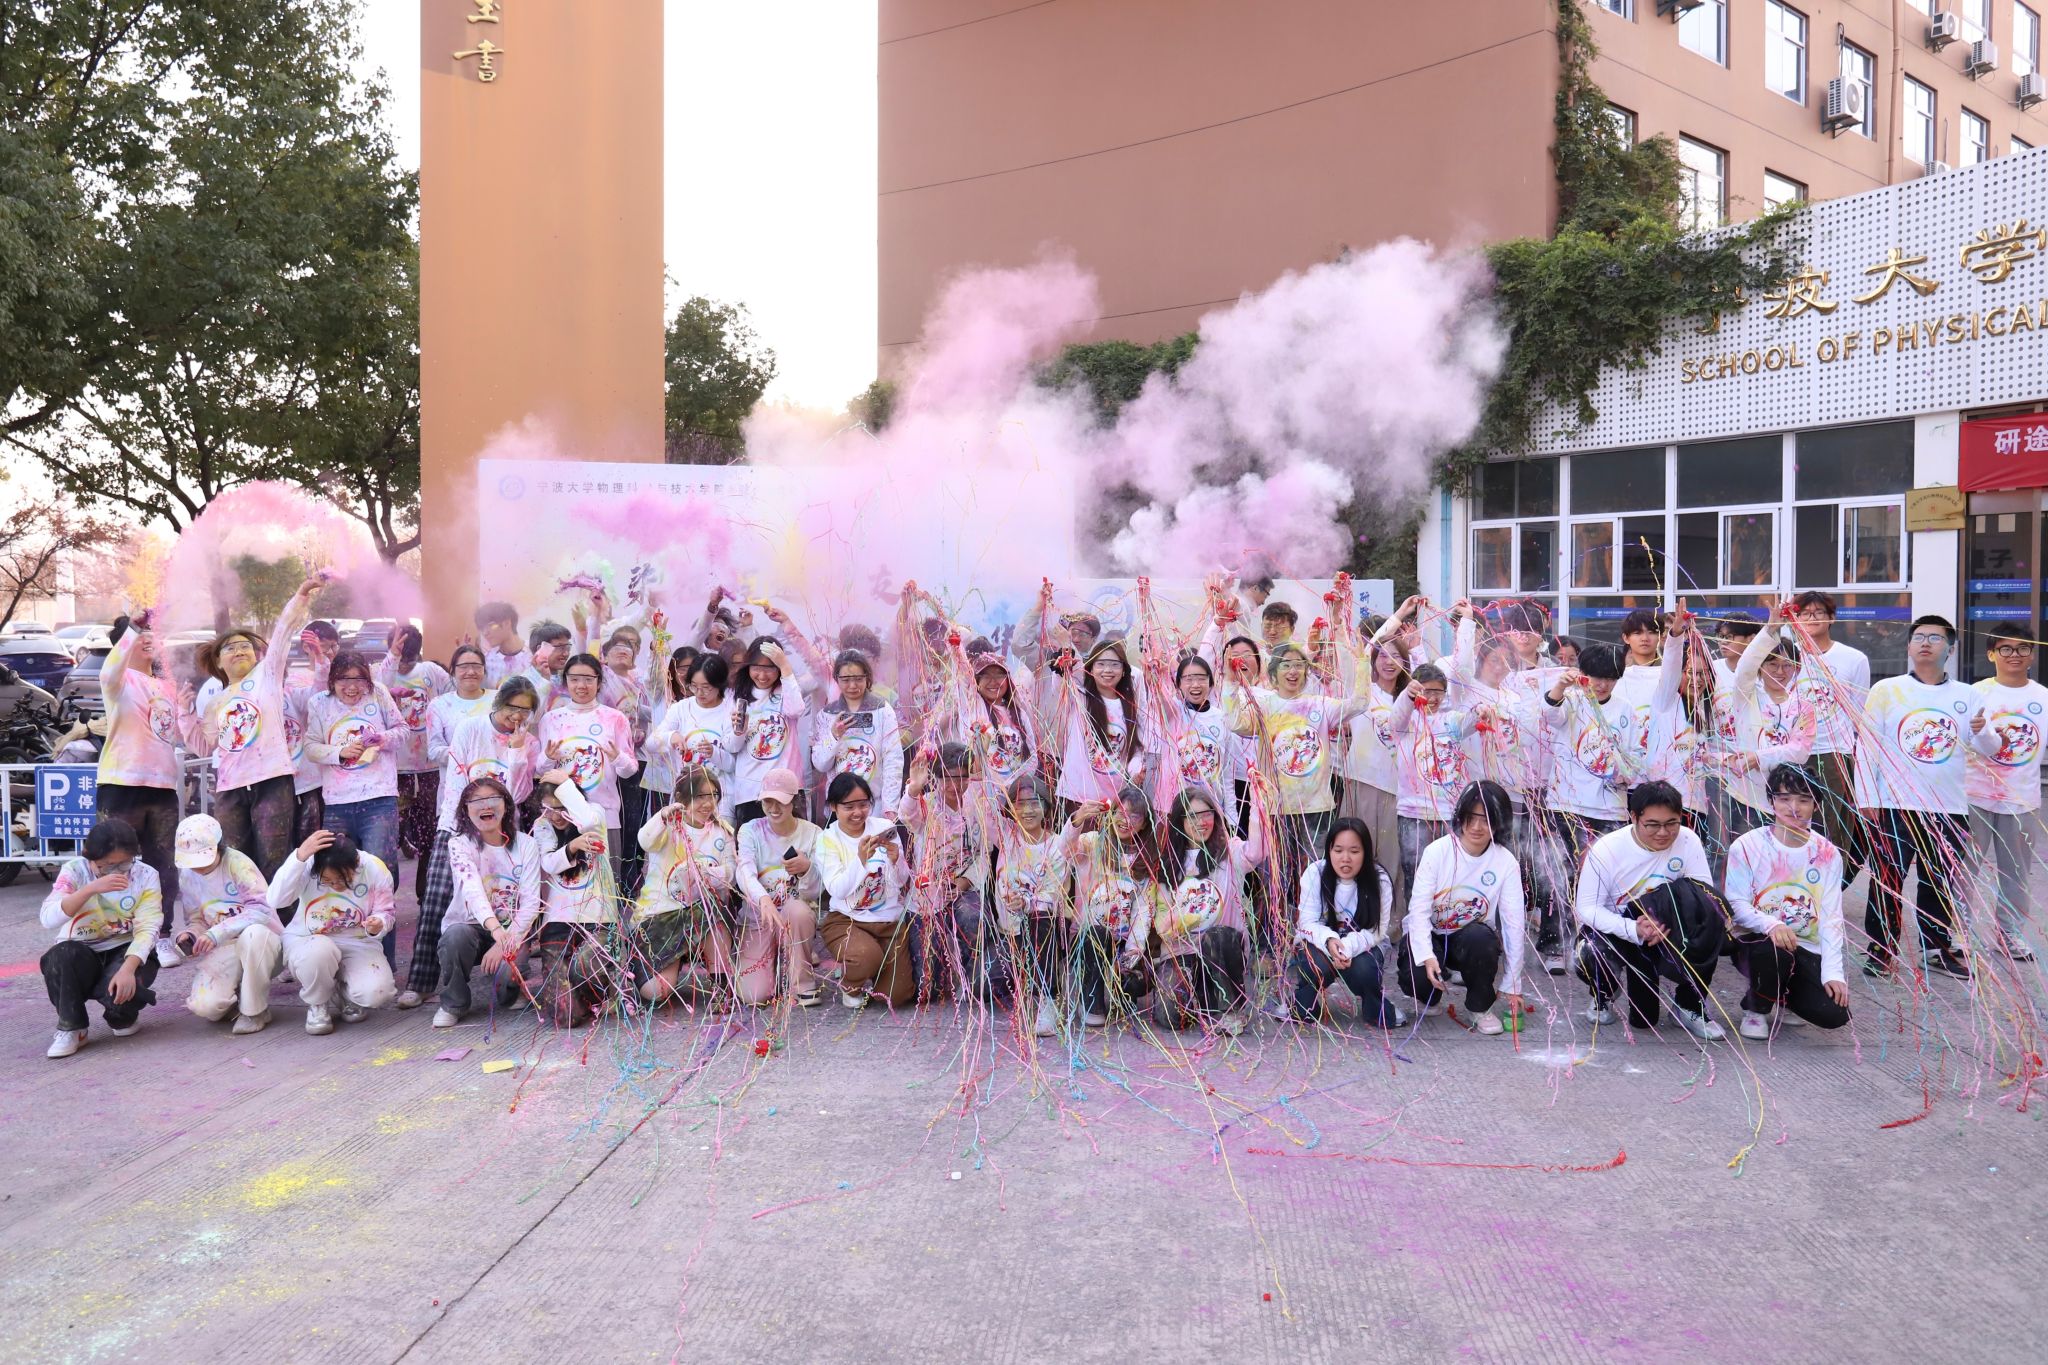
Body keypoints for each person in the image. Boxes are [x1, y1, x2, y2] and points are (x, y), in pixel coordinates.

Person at [1854, 614, 1997, 979]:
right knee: (1888, 877)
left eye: (1935, 638)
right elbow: (1868, 747)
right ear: (1908, 646)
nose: (1925, 643)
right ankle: (1882, 948)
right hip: (1893, 804)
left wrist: (1982, 732)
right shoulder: (1887, 689)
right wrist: (1867, 797)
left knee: (1939, 881)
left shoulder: (1969, 694)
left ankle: (1936, 947)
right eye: (1919, 636)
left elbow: (1991, 748)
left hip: (1947, 806)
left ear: (1950, 649)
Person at [405, 675, 540, 1009]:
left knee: (504, 895)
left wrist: (515, 753)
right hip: (457, 822)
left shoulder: (527, 742)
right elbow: (455, 780)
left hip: (503, 830)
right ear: (498, 703)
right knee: (438, 901)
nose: (517, 716)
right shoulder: (470, 728)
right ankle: (420, 983)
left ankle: (507, 971)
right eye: (512, 707)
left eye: (525, 711)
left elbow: (518, 795)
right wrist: (458, 827)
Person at [1571, 781, 1726, 1039]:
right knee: (1589, 951)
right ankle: (1604, 992)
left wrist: (1665, 920)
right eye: (1652, 825)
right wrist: (1634, 929)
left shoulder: (1688, 841)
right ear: (1633, 817)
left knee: (1711, 919)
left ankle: (1688, 1004)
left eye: (1672, 823)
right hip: (1622, 931)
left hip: (1667, 930)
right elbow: (1586, 908)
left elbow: (1703, 896)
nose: (1663, 833)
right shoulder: (1607, 849)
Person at [195, 576, 322, 877]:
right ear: (218, 661)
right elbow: (204, 745)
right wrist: (187, 719)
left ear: (256, 655)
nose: (239, 651)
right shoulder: (215, 700)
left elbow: (281, 634)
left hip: (272, 780)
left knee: (274, 860)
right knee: (236, 861)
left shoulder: (267, 677)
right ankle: (243, 919)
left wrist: (300, 596)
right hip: (230, 787)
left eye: (245, 646)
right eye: (230, 648)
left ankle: (280, 921)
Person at [1536, 641, 1641, 974]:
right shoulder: (1574, 702)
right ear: (1584, 675)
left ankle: (1595, 942)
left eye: (1610, 678)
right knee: (1561, 873)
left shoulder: (1627, 709)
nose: (1602, 684)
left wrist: (1623, 773)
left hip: (1609, 808)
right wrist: (1560, 687)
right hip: (1567, 803)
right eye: (1596, 676)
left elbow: (1636, 758)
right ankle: (1554, 945)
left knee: (1602, 879)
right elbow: (1550, 714)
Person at [1725, 764, 1851, 1039]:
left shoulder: (1828, 853)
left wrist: (1833, 972)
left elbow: (1831, 916)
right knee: (1774, 954)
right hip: (1757, 940)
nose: (1794, 807)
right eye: (1784, 799)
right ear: (1771, 802)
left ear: (1816, 805)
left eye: (1804, 800)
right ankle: (1756, 1009)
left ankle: (1783, 995)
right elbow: (1736, 905)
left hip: (1805, 946)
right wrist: (1770, 924)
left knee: (1834, 1014)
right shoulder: (1747, 846)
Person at [1400, 780, 1526, 1035]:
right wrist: (1427, 956)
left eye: (1487, 819)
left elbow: (1514, 924)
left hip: (1469, 939)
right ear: (1460, 816)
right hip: (1433, 935)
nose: (1477, 827)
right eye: (1471, 817)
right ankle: (1430, 996)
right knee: (1415, 971)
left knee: (1481, 938)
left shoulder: (1506, 863)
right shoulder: (1437, 852)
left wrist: (1513, 982)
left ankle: (1479, 1006)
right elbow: (1419, 910)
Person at [304, 651, 406, 966]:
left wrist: (382, 738)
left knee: (381, 875)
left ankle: (382, 959)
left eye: (359, 679)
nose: (352, 687)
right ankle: (344, 957)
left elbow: (402, 732)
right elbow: (310, 747)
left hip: (380, 799)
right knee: (336, 874)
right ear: (332, 680)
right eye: (344, 680)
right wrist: (339, 751)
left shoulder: (380, 694)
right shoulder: (319, 703)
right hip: (337, 803)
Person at [94, 612, 192, 934]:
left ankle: (160, 934)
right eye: (140, 633)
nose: (148, 637)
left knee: (163, 865)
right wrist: (132, 629)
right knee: (115, 862)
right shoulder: (118, 680)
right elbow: (109, 672)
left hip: (162, 786)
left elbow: (178, 732)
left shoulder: (167, 686)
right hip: (122, 783)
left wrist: (189, 709)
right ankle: (118, 933)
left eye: (151, 631)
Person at [39, 818, 164, 1059]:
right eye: (107, 866)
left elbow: (149, 926)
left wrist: (128, 969)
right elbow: (48, 918)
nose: (117, 872)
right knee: (60, 956)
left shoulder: (146, 875)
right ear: (90, 858)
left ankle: (121, 1015)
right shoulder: (75, 870)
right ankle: (73, 1028)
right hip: (81, 950)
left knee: (123, 1005)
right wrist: (90, 888)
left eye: (124, 864)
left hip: (123, 948)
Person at [1154, 781, 1266, 1036]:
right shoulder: (1170, 863)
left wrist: (1259, 804)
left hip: (1221, 949)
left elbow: (1257, 851)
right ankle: (1204, 994)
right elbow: (1162, 921)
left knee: (1217, 936)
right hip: (1182, 950)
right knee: (1169, 1017)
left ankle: (1228, 1009)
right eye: (1192, 816)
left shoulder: (1231, 852)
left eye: (1207, 815)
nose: (1201, 822)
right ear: (1179, 821)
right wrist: (1177, 922)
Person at [433, 776, 544, 1027]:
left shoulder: (526, 845)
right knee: (454, 937)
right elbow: (472, 891)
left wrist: (504, 941)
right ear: (465, 809)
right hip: (472, 925)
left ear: (506, 805)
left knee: (509, 977)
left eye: (493, 799)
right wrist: (495, 930)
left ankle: (510, 992)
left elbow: (530, 902)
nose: (486, 806)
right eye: (477, 801)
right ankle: (454, 1003)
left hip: (511, 929)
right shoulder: (459, 845)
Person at [1966, 622, 2048, 962]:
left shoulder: (2043, 697)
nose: (2014, 655)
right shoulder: (1975, 693)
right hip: (1973, 795)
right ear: (1991, 654)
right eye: (2006, 648)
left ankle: (2008, 933)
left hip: (2022, 798)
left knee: (2015, 872)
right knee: (1964, 869)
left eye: (2022, 648)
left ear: (2033, 653)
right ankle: (1956, 933)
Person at [271, 829, 398, 1035]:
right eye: (327, 881)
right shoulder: (308, 865)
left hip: (357, 942)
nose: (336, 886)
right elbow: (276, 899)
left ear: (356, 864)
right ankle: (318, 1003)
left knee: (378, 993)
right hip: (309, 939)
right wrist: (299, 857)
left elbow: (386, 913)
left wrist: (379, 923)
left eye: (342, 879)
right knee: (319, 951)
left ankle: (342, 992)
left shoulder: (374, 868)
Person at [901, 742, 1001, 1002]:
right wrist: (914, 787)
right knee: (928, 988)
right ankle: (945, 967)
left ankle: (972, 972)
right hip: (928, 895)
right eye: (946, 778)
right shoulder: (926, 806)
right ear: (935, 778)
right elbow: (907, 816)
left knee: (972, 916)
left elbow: (984, 853)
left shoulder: (978, 807)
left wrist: (965, 881)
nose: (954, 786)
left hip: (963, 889)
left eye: (961, 777)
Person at [632, 763, 739, 1005]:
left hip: (702, 916)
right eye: (700, 796)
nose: (708, 803)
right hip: (661, 917)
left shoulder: (723, 832)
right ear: (682, 798)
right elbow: (644, 841)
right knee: (654, 993)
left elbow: (731, 873)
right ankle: (673, 960)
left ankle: (722, 986)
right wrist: (662, 815)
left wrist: (706, 875)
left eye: (714, 796)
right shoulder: (669, 825)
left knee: (715, 911)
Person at [1059, 785, 1165, 1025]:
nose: (1125, 820)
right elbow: (1064, 850)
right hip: (1089, 936)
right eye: (1119, 812)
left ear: (1145, 823)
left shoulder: (1147, 859)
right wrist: (1077, 820)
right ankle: (1092, 997)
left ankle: (1121, 988)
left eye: (1134, 816)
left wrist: (1129, 956)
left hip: (1125, 943)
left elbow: (1143, 911)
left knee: (1134, 983)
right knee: (1098, 935)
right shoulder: (1092, 843)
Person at [169, 814, 283, 1035]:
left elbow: (261, 910)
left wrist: (216, 932)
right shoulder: (187, 876)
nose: (198, 868)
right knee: (208, 1007)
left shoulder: (238, 864)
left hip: (263, 943)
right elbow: (197, 919)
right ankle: (240, 996)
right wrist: (191, 935)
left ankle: (255, 1011)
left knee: (253, 935)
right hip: (225, 947)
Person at [815, 772, 917, 1009]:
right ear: (833, 807)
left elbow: (901, 882)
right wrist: (860, 860)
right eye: (848, 806)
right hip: (847, 920)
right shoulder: (827, 839)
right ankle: (851, 984)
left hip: (889, 921)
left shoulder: (884, 827)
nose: (857, 812)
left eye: (863, 804)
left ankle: (874, 967)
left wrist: (896, 861)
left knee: (896, 996)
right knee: (865, 956)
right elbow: (837, 889)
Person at [1788, 591, 1871, 879]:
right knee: (1791, 822)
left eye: (1818, 612)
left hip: (1835, 754)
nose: (1811, 619)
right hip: (1791, 753)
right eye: (1804, 613)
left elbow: (1859, 713)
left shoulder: (1853, 659)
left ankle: (1828, 888)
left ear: (1831, 617)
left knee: (1832, 826)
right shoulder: (1784, 656)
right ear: (1794, 618)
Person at [1289, 817, 1403, 1028]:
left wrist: (1347, 947)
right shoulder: (1315, 874)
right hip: (1320, 945)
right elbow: (1306, 923)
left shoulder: (1380, 880)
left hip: (1361, 947)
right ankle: (1303, 1003)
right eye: (1338, 850)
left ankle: (1374, 1006)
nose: (1346, 858)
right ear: (1329, 850)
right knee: (1315, 966)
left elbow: (1377, 931)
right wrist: (1330, 940)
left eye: (1354, 851)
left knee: (1365, 970)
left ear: (1366, 852)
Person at [538, 652, 638, 884]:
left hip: (604, 813)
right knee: (565, 885)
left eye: (588, 679)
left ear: (599, 682)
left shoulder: (615, 719)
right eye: (574, 679)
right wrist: (547, 758)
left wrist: (617, 758)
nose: (581, 685)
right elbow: (541, 772)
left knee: (606, 886)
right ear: (565, 682)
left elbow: (629, 770)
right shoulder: (551, 720)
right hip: (560, 816)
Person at [530, 767, 617, 1025]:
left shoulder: (594, 814)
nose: (555, 816)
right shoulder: (541, 826)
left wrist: (565, 784)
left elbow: (587, 821)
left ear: (572, 799)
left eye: (561, 807)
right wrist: (572, 847)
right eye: (548, 809)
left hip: (598, 917)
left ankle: (603, 990)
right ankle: (577, 998)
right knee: (565, 1016)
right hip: (559, 922)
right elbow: (549, 863)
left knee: (584, 966)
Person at [735, 767, 826, 1008]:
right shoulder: (750, 830)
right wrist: (763, 899)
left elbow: (817, 890)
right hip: (758, 916)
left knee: (797, 910)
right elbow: (743, 871)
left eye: (781, 803)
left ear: (794, 801)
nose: (774, 809)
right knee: (754, 996)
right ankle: (773, 961)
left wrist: (806, 868)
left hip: (792, 916)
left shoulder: (813, 833)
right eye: (768, 802)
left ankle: (802, 982)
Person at [376, 625, 453, 907]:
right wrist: (393, 657)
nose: (405, 663)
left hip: (430, 768)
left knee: (429, 835)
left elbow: (454, 696)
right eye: (401, 656)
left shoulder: (431, 672)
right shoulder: (382, 670)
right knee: (390, 836)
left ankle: (425, 896)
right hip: (396, 771)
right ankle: (384, 899)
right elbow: (377, 690)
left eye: (410, 657)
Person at [996, 772, 1074, 1037]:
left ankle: (1049, 999)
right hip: (1009, 932)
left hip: (1042, 929)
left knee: (1040, 919)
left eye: (1035, 803)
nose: (1027, 810)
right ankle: (1029, 985)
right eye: (1020, 803)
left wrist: (1026, 902)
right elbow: (981, 802)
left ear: (1046, 808)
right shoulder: (1005, 834)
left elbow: (1052, 895)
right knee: (990, 984)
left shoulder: (1056, 846)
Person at [724, 637, 808, 827]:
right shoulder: (736, 695)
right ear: (747, 667)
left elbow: (796, 710)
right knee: (752, 851)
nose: (762, 675)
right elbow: (730, 746)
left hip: (788, 788)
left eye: (770, 668)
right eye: (756, 667)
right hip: (751, 791)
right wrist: (740, 731)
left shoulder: (786, 690)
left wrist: (785, 666)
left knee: (791, 849)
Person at [810, 648, 905, 817]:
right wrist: (833, 736)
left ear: (867, 677)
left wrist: (890, 807)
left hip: (874, 804)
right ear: (836, 679)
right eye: (845, 679)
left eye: (858, 679)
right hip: (840, 805)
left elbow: (893, 759)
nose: (852, 686)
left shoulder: (882, 709)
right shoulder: (827, 714)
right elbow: (820, 764)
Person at [648, 652, 736, 823]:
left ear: (720, 684)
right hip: (686, 796)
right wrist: (670, 736)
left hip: (721, 797)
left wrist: (714, 753)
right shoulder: (680, 709)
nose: (699, 693)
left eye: (706, 687)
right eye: (694, 686)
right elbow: (651, 743)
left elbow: (733, 764)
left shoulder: (730, 710)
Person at [475, 601, 527, 684]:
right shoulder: (486, 661)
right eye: (482, 629)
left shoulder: (535, 653)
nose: (485, 633)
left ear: (507, 623)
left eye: (490, 625)